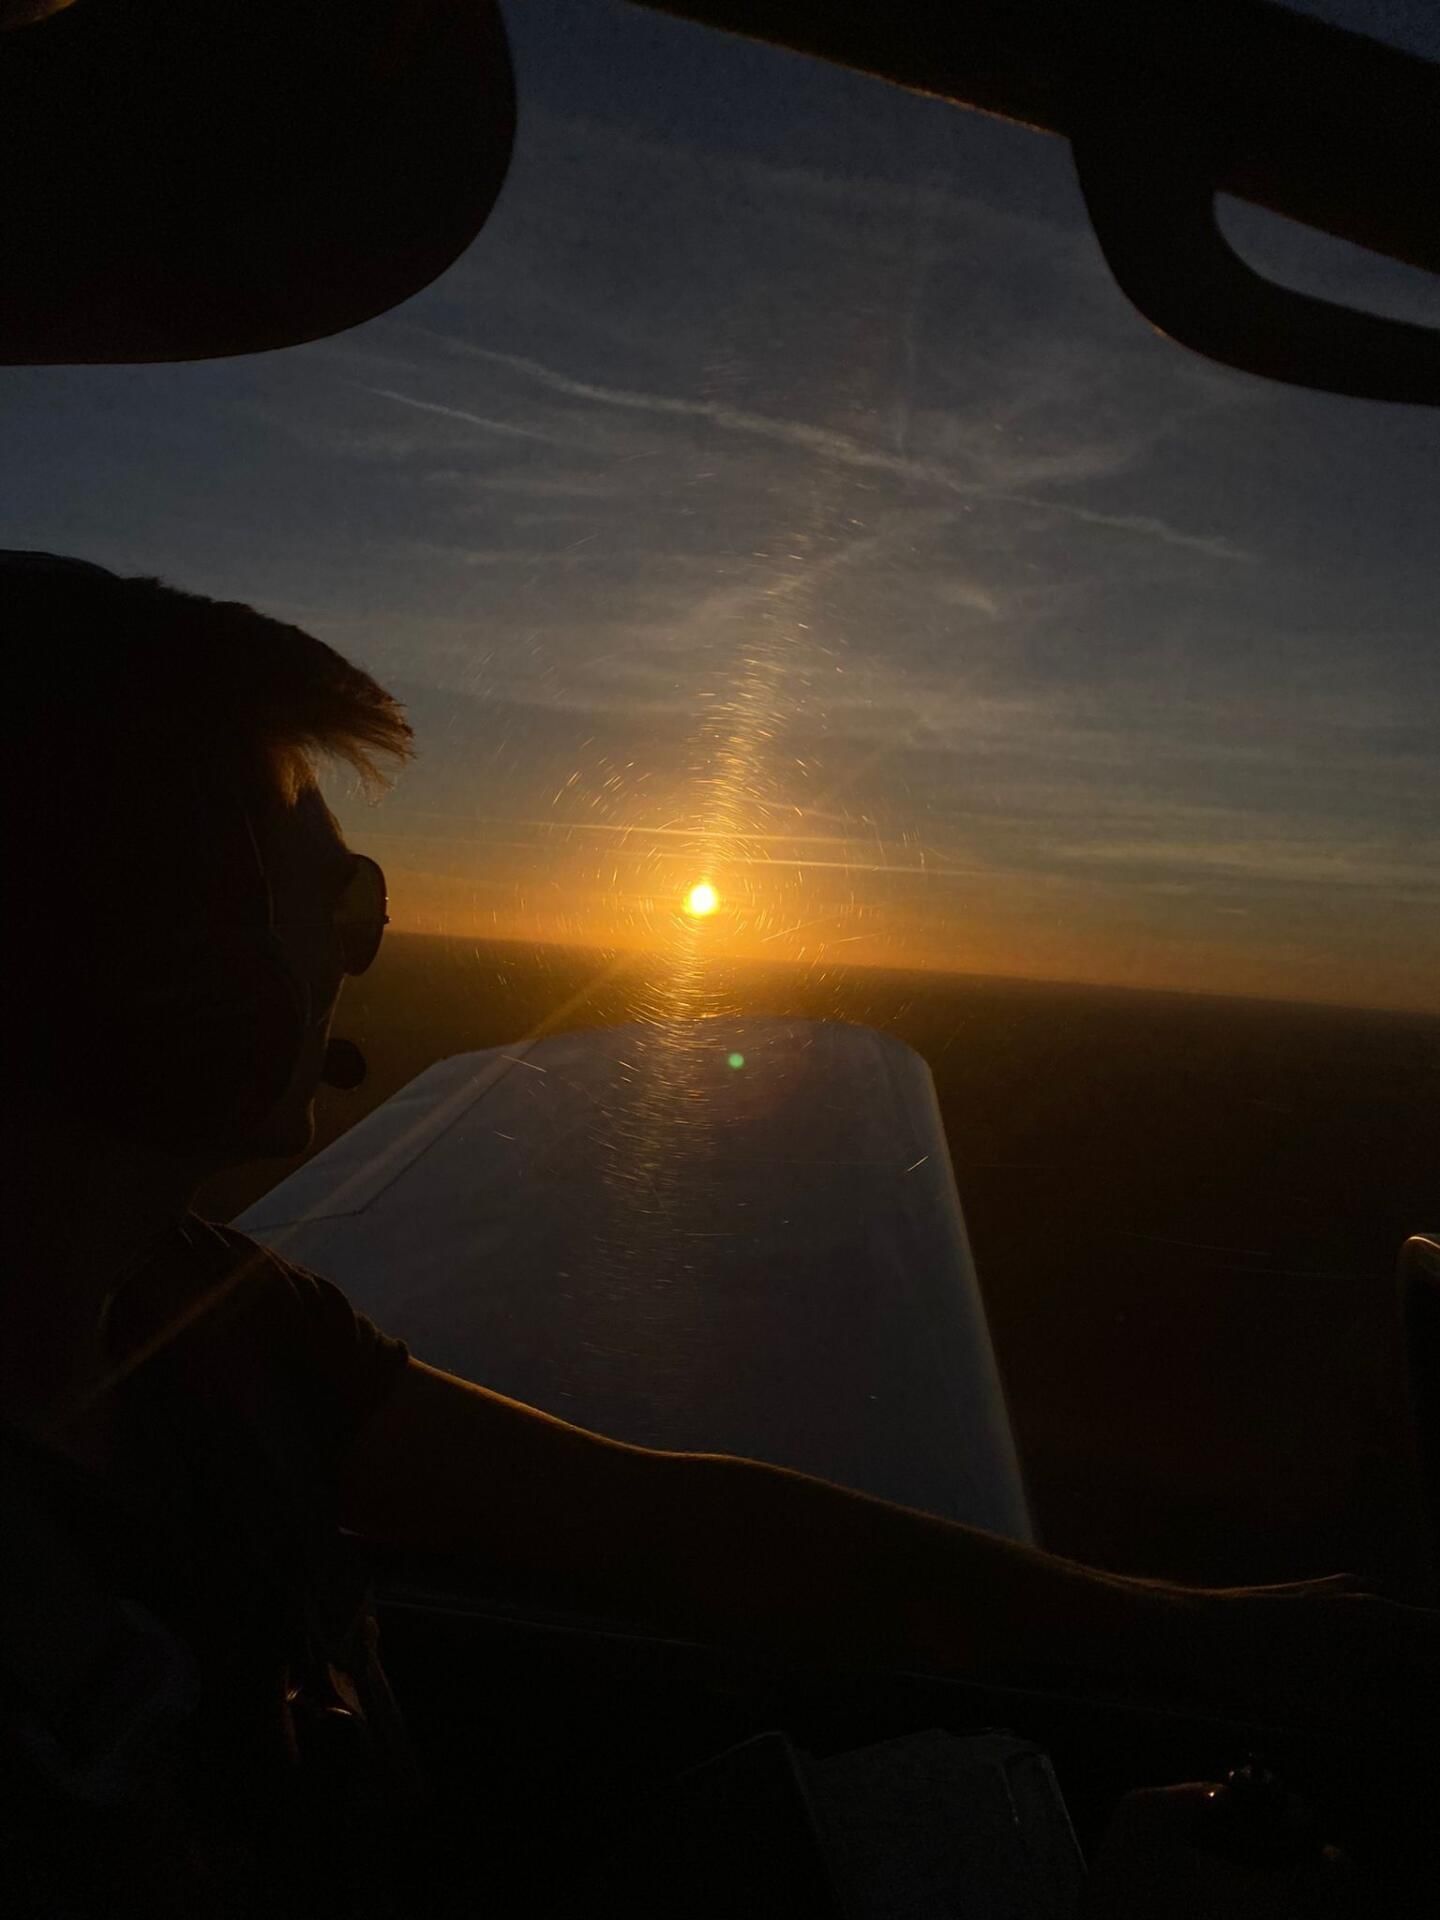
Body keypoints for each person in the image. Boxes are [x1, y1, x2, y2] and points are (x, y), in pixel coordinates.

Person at [0, 553, 1432, 1916]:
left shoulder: (209, 1313)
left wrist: (1202, 1631)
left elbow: (672, 1522)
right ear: (140, 939)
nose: (352, 955)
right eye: (329, 898)